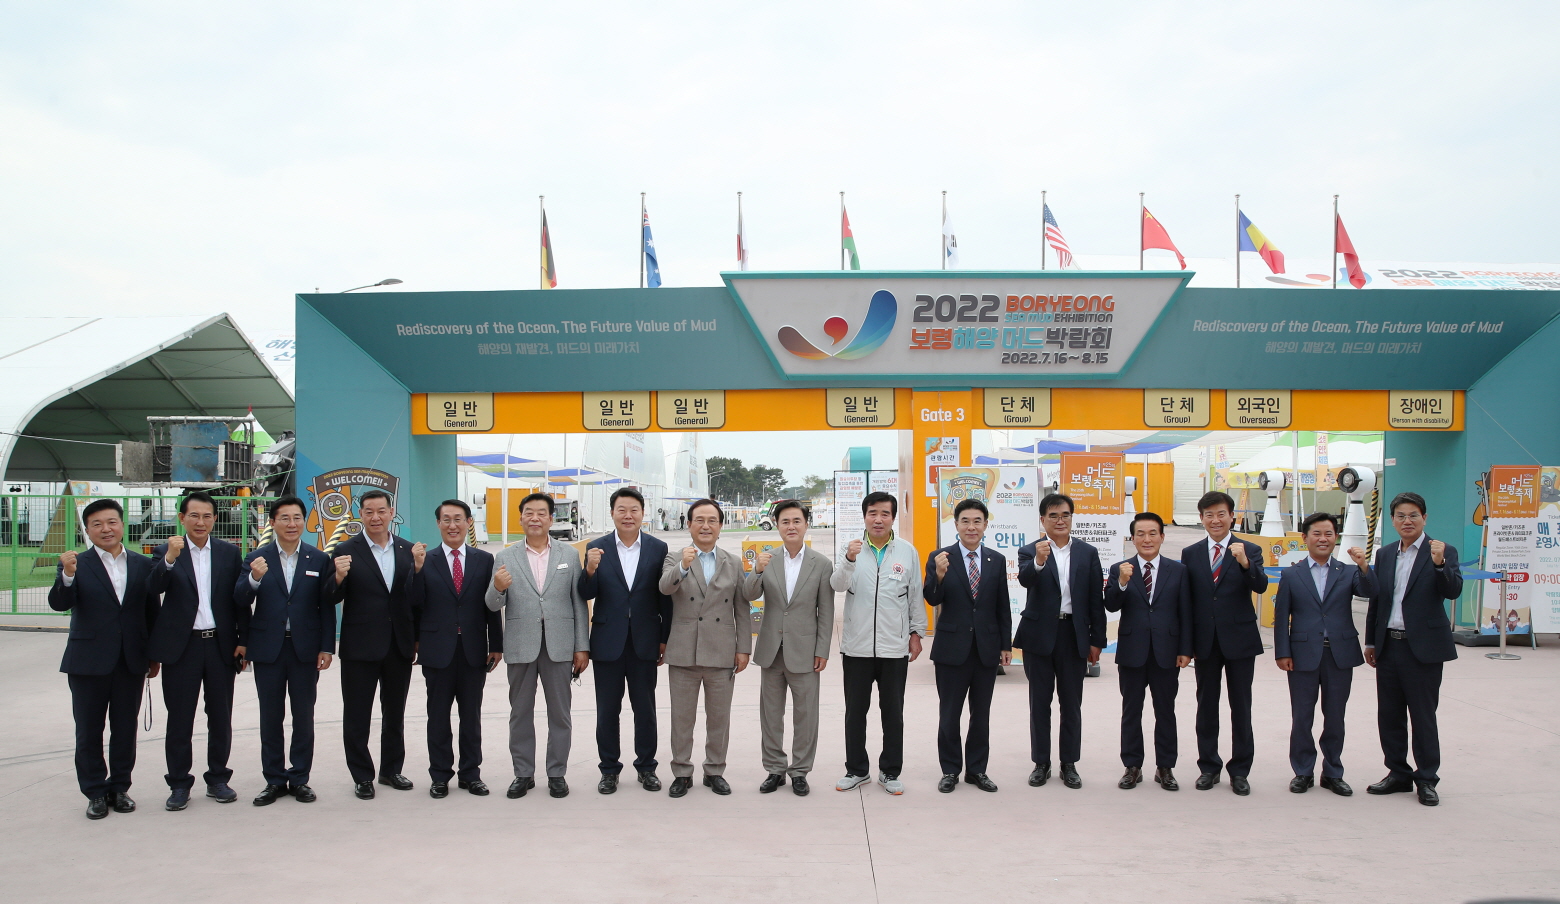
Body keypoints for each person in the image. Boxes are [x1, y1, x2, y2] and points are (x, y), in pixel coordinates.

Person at [50, 499, 159, 819]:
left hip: (130, 660)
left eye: (111, 522)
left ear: (122, 525)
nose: (105, 529)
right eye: (96, 524)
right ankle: (95, 792)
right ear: (87, 530)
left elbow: (151, 612)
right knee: (88, 730)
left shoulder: (142, 564)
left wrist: (154, 655)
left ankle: (120, 787)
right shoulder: (75, 563)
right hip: (87, 661)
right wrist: (67, 575)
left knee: (125, 729)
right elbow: (59, 603)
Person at [234, 495, 337, 805]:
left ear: (303, 521)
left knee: (303, 716)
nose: (291, 524)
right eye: (284, 518)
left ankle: (300, 778)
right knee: (270, 717)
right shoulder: (257, 558)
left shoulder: (318, 559)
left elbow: (326, 605)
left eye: (297, 518)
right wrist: (254, 578)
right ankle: (275, 779)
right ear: (272, 522)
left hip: (305, 649)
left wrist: (326, 646)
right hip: (268, 649)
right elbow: (239, 599)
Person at [487, 492, 590, 799]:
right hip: (521, 645)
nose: (535, 518)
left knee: (560, 714)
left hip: (560, 645)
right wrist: (498, 588)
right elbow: (492, 605)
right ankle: (523, 773)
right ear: (520, 518)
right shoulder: (505, 557)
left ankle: (557, 773)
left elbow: (579, 603)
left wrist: (581, 646)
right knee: (520, 713)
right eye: (529, 513)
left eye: (541, 513)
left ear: (550, 519)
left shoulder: (568, 554)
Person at [146, 491, 244, 810]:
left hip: (220, 645)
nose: (200, 522)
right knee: (180, 719)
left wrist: (243, 640)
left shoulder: (229, 553)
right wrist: (170, 559)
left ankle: (218, 778)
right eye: (194, 516)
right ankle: (178, 784)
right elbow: (152, 588)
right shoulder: (165, 551)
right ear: (182, 518)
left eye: (206, 516)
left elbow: (239, 600)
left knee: (220, 717)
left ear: (214, 519)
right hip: (182, 647)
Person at [1365, 492, 1461, 807]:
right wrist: (1371, 641)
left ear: (1424, 518)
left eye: (1413, 515)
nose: (1407, 521)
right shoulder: (1385, 554)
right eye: (1401, 516)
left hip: (1423, 649)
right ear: (1393, 521)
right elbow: (1377, 599)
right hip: (1389, 646)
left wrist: (1439, 564)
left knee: (1422, 716)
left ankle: (1427, 779)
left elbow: (1453, 590)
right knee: (1389, 715)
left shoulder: (1442, 550)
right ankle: (1398, 773)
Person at [330, 489, 426, 799]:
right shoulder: (345, 550)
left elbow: (416, 600)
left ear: (391, 512)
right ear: (361, 515)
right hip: (360, 646)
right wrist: (338, 577)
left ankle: (391, 770)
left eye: (381, 511)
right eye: (369, 511)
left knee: (394, 713)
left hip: (398, 644)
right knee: (357, 715)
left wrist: (416, 638)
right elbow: (330, 597)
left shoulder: (407, 550)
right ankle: (362, 776)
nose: (375, 517)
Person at [1274, 512, 1374, 797]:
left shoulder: (1348, 571)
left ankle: (1333, 772)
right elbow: (1282, 616)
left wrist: (1364, 566)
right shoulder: (1291, 574)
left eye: (1328, 534)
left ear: (1336, 538)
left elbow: (1371, 591)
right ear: (1304, 538)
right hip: (1302, 655)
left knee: (1335, 716)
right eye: (1316, 533)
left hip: (1339, 655)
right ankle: (1303, 771)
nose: (1323, 539)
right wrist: (1282, 652)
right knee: (1302, 716)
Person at [578, 487, 671, 794]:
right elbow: (585, 593)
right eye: (622, 510)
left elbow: (664, 597)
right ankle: (609, 770)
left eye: (634, 510)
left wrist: (664, 638)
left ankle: (647, 768)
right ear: (612, 513)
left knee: (645, 709)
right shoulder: (597, 547)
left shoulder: (658, 548)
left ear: (643, 514)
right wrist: (590, 569)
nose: (628, 515)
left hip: (645, 641)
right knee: (607, 711)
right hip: (608, 642)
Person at [832, 491, 924, 796]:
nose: (878, 519)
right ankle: (857, 770)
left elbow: (915, 594)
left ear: (893, 518)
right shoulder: (851, 549)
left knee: (892, 713)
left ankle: (890, 771)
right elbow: (837, 585)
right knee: (855, 713)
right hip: (856, 647)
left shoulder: (907, 552)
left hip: (894, 647)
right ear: (864, 516)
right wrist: (849, 559)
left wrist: (916, 632)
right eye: (872, 513)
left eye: (885, 513)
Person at [742, 500, 834, 796]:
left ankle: (800, 771)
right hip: (771, 650)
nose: (791, 526)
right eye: (785, 522)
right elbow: (748, 594)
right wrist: (756, 570)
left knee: (806, 715)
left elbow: (826, 611)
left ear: (806, 524)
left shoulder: (821, 564)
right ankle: (774, 769)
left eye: (796, 521)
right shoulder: (767, 558)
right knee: (771, 715)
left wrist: (822, 650)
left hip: (805, 652)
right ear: (777, 526)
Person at [658, 498, 750, 798]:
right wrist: (684, 566)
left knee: (719, 718)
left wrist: (743, 648)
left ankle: (714, 771)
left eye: (712, 520)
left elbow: (742, 608)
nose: (706, 526)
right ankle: (681, 772)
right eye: (699, 520)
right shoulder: (675, 558)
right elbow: (665, 588)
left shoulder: (733, 562)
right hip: (683, 651)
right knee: (682, 718)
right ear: (689, 525)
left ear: (721, 526)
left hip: (721, 650)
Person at [1180, 491, 1268, 796]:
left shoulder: (1250, 549)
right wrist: (1186, 645)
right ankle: (1209, 767)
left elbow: (1260, 585)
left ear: (1232, 516)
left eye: (1221, 514)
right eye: (1209, 515)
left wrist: (1244, 563)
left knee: (1241, 706)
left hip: (1239, 641)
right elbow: (1187, 601)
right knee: (1206, 706)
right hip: (1205, 642)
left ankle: (1240, 770)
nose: (1215, 520)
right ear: (1201, 518)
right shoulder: (1191, 553)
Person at [1015, 492, 1104, 790]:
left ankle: (1069, 764)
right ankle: (1041, 763)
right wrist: (1039, 562)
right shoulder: (1031, 550)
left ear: (1071, 517)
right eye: (1053, 515)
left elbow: (1095, 599)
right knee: (1039, 703)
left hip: (1073, 635)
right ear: (1042, 520)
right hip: (1039, 637)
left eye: (1065, 514)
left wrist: (1097, 640)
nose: (1060, 520)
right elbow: (1026, 580)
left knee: (1071, 704)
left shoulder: (1087, 553)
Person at [925, 499, 1012, 793]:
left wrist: (1005, 644)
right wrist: (938, 575)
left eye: (977, 521)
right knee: (950, 714)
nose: (971, 527)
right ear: (956, 524)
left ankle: (977, 770)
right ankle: (950, 770)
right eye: (965, 521)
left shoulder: (996, 560)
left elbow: (1002, 606)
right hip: (951, 649)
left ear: (985, 525)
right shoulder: (940, 557)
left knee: (981, 715)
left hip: (985, 649)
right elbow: (932, 598)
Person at [418, 499, 502, 798]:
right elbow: (415, 604)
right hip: (437, 650)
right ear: (438, 524)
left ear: (469, 522)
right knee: (438, 717)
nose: (452, 525)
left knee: (471, 717)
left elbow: (491, 605)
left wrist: (496, 644)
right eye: (446, 519)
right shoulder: (425, 560)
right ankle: (440, 775)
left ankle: (470, 774)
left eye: (458, 519)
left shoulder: (484, 560)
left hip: (473, 650)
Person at [1105, 512, 1192, 791]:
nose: (1147, 539)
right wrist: (1121, 582)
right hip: (1132, 651)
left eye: (1153, 533)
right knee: (1131, 710)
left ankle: (1165, 767)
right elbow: (1110, 605)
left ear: (1162, 537)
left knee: (1165, 711)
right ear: (1132, 538)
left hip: (1167, 651)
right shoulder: (1120, 568)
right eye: (1140, 534)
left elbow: (1185, 613)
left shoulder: (1178, 570)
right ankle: (1132, 766)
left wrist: (1185, 649)